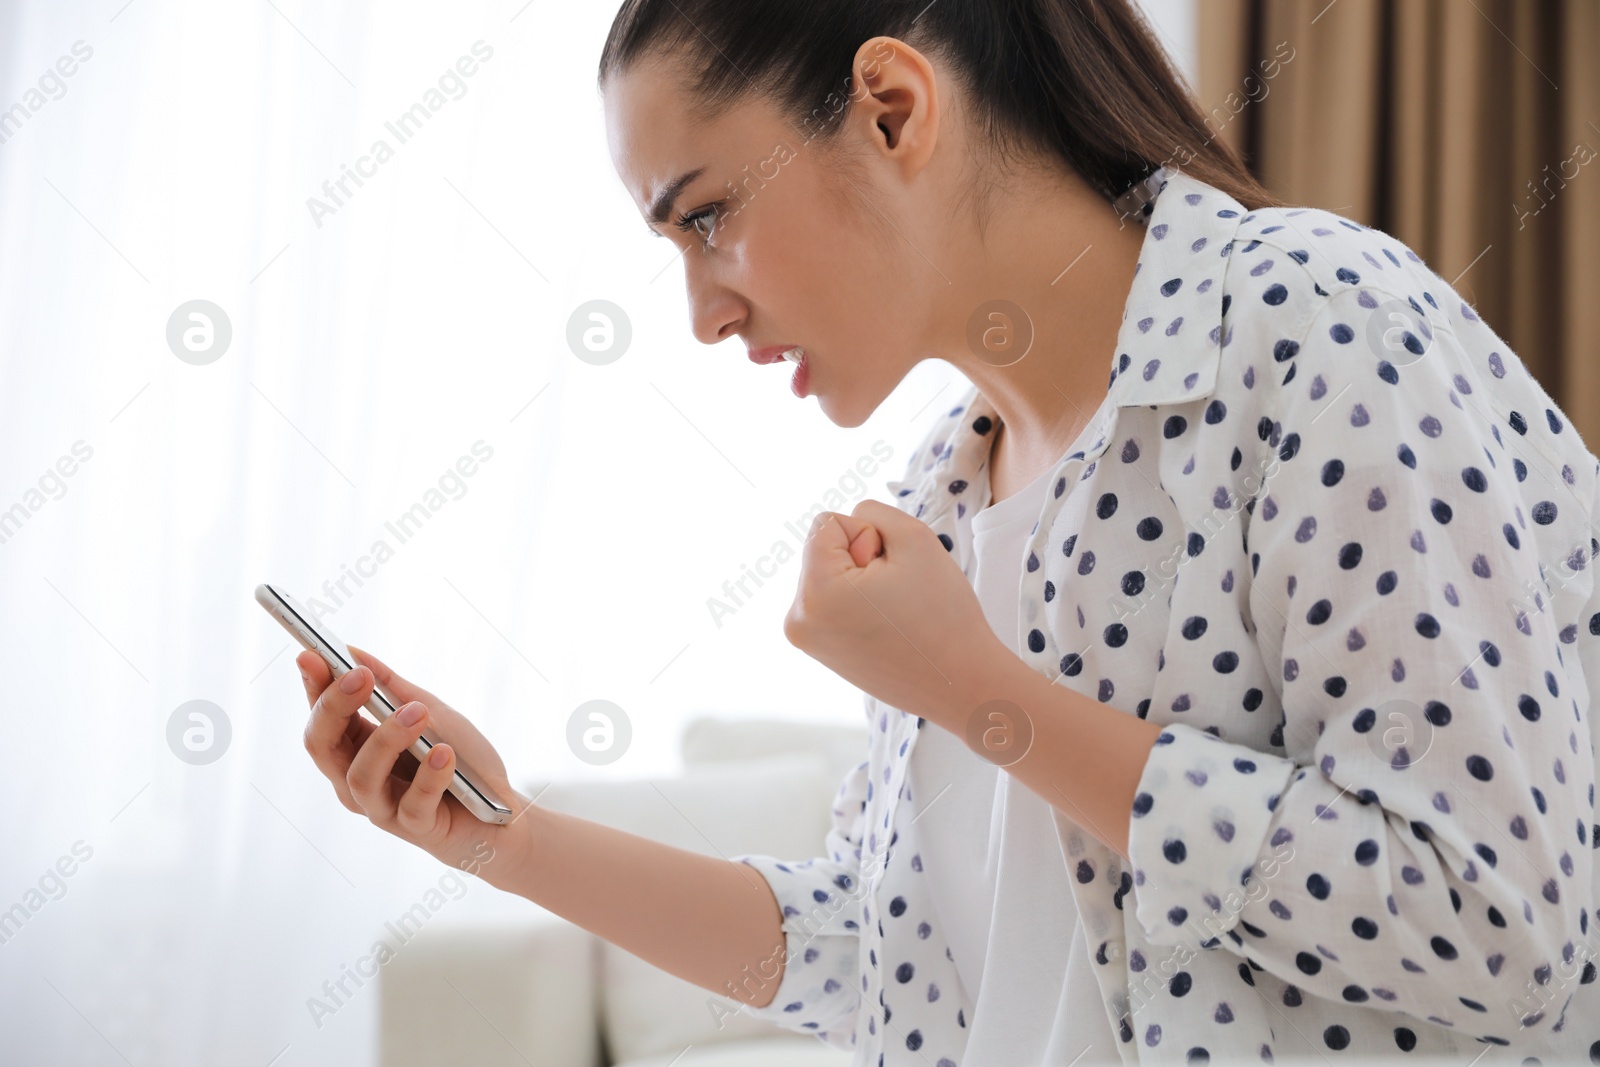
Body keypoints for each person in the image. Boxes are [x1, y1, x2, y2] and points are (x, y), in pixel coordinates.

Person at [298, 0, 1600, 1062]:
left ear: (893, 107)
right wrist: (508, 838)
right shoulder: (942, 495)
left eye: (707, 217)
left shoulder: (1315, 323)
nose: (700, 312)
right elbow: (879, 962)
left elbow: (1499, 934)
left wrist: (984, 697)